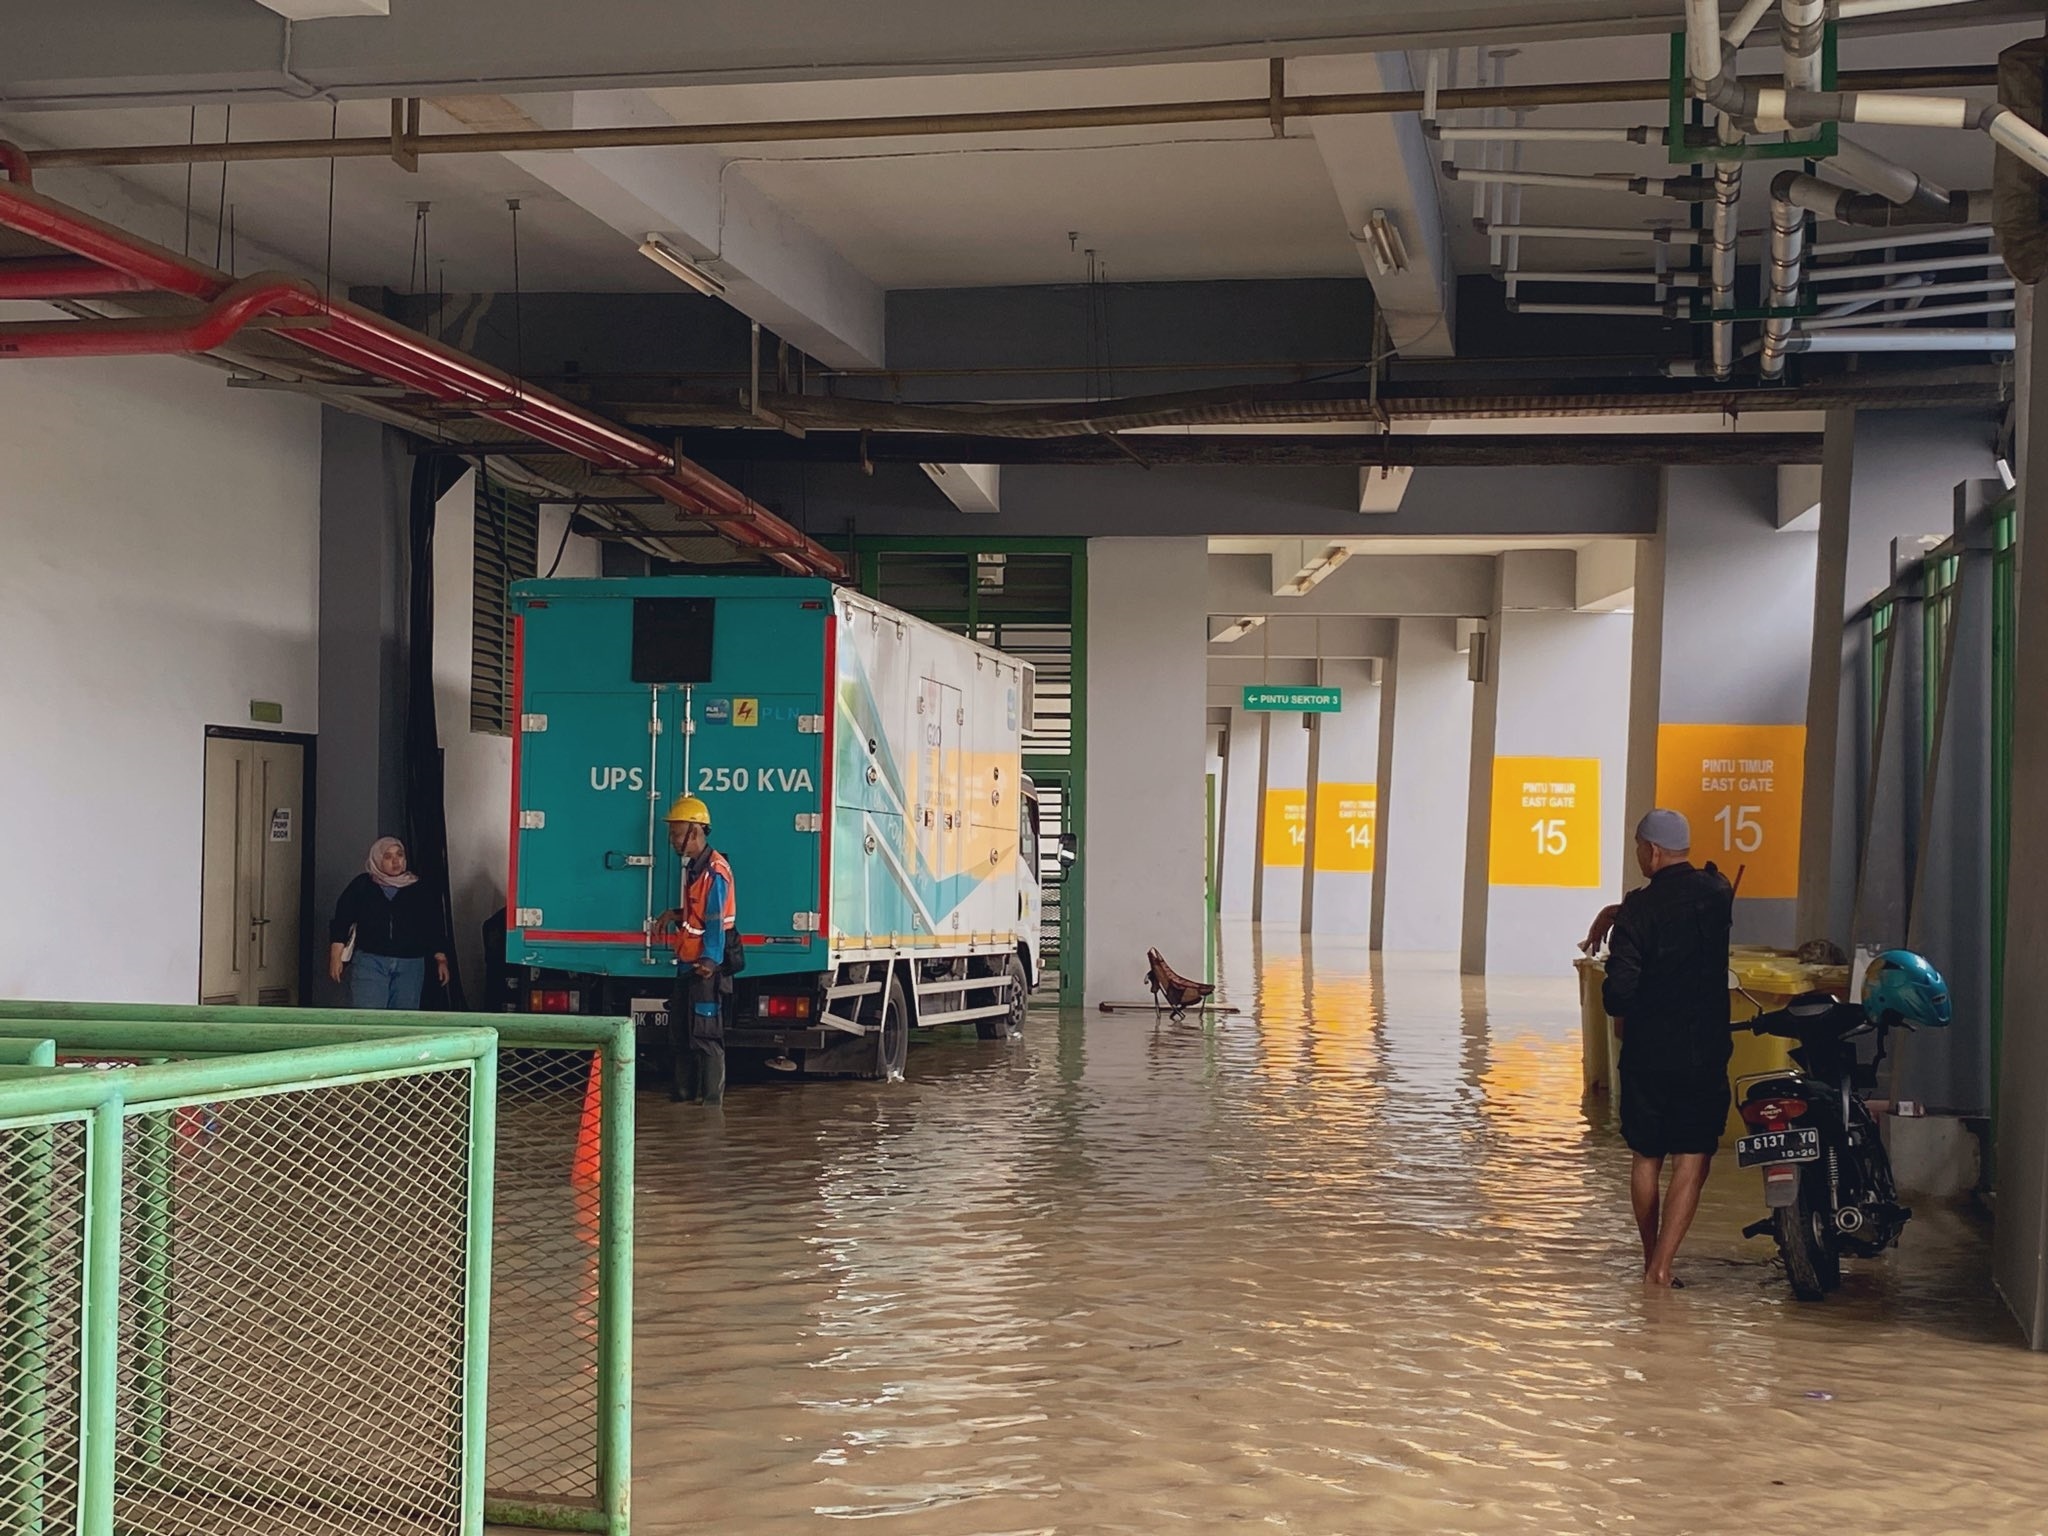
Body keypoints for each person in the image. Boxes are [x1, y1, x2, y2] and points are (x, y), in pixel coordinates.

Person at [1597, 809, 1734, 1289]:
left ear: (1652, 850)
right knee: (1693, 1153)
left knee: (1647, 1156)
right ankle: (1663, 1267)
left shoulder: (1639, 908)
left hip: (1648, 1052)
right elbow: (1680, 913)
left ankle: (1648, 1255)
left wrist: (1615, 919)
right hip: (1704, 1048)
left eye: (1638, 846)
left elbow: (1619, 993)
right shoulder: (1719, 894)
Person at [652, 795, 737, 1105]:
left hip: (705, 970)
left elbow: (715, 922)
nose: (672, 840)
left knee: (706, 1038)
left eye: (677, 833)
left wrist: (710, 961)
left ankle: (711, 1108)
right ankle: (683, 1100)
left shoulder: (714, 872)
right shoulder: (695, 870)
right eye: (672, 833)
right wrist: (674, 914)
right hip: (688, 966)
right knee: (681, 1037)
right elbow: (698, 916)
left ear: (697, 832)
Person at [328, 836, 450, 1010]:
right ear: (377, 859)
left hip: (410, 963)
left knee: (403, 1021)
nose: (395, 861)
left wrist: (441, 959)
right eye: (388, 856)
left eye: (399, 855)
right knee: (370, 1018)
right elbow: (342, 920)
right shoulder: (363, 886)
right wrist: (335, 956)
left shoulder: (418, 888)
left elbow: (432, 925)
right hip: (371, 961)